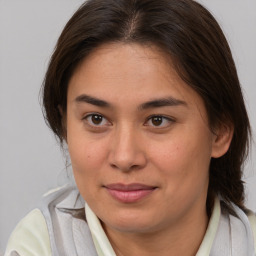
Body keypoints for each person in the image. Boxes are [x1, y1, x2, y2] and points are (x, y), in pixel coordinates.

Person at [5, 0, 256, 255]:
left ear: (220, 131)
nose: (124, 158)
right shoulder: (37, 246)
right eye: (96, 119)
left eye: (158, 120)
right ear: (65, 125)